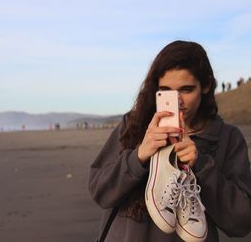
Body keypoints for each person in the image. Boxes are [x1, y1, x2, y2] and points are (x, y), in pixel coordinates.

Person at [89, 40, 251, 242]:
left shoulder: (227, 138)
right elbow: (100, 191)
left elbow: (241, 221)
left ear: (206, 86)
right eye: (165, 90)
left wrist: (201, 166)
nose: (177, 100)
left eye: (186, 89)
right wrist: (138, 156)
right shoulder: (134, 125)